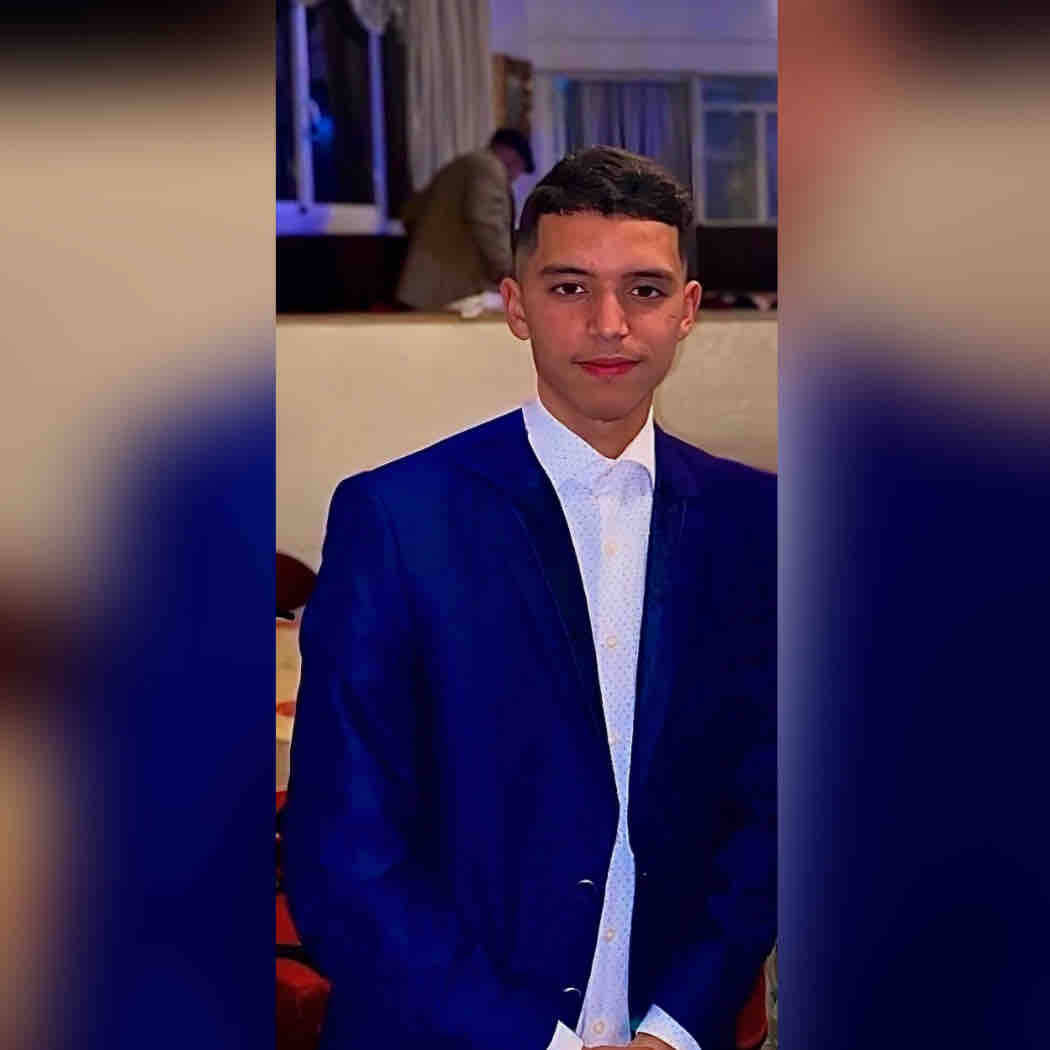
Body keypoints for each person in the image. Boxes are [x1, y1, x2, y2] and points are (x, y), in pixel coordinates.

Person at [283, 147, 776, 1050]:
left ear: (688, 309)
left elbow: (768, 812)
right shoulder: (398, 519)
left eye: (644, 290)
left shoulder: (757, 523)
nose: (608, 325)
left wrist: (675, 1027)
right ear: (516, 306)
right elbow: (343, 854)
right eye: (569, 288)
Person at [396, 127, 535, 316]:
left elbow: (410, 213)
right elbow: (487, 225)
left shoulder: (460, 166)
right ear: (513, 156)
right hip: (453, 290)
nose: (515, 176)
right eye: (519, 168)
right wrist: (510, 272)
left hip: (425, 285)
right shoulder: (488, 168)